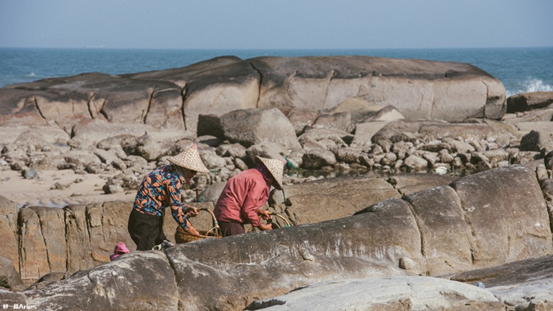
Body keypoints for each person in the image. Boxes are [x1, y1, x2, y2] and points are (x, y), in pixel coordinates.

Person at [128, 143, 210, 250]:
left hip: (141, 217)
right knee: (147, 253)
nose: (191, 177)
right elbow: (176, 211)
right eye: (192, 173)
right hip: (147, 220)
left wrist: (186, 208)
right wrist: (191, 230)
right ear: (186, 169)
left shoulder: (167, 170)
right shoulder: (174, 179)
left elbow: (170, 201)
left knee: (161, 247)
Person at [214, 156, 285, 237]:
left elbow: (242, 199)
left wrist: (259, 211)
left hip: (223, 212)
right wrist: (262, 226)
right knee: (239, 246)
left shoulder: (251, 173)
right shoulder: (259, 182)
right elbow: (248, 209)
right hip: (230, 217)